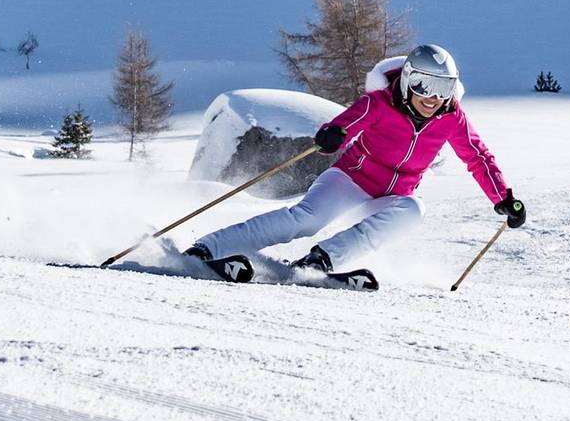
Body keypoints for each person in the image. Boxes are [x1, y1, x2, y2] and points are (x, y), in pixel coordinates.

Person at [185, 44, 526, 273]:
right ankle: (209, 247)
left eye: (443, 88)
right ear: (408, 81)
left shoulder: (452, 119)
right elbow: (350, 121)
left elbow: (478, 158)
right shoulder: (381, 103)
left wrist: (504, 198)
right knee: (305, 219)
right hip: (352, 180)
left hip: (392, 196)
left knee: (412, 211)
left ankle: (322, 261)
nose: (432, 97)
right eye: (423, 85)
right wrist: (333, 134)